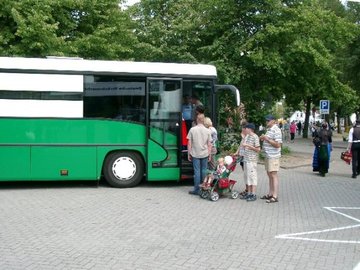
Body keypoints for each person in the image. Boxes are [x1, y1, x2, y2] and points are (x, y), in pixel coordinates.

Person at [187, 113, 212, 195]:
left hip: (195, 153)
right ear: (203, 120)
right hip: (204, 153)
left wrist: (189, 153)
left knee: (197, 171)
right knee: (204, 170)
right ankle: (204, 188)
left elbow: (189, 143)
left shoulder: (192, 130)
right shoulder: (208, 131)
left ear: (197, 119)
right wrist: (209, 154)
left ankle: (197, 190)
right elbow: (209, 144)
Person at [260, 114, 282, 203]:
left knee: (273, 175)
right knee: (270, 176)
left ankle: (275, 196)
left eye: (268, 120)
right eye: (266, 120)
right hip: (268, 156)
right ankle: (270, 194)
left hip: (273, 157)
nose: (266, 122)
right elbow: (268, 140)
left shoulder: (276, 130)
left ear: (273, 121)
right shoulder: (269, 129)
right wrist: (263, 138)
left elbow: (278, 145)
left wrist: (267, 139)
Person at [239, 123, 260, 202]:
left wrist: (248, 146)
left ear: (250, 129)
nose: (245, 129)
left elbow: (258, 149)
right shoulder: (247, 136)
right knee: (247, 177)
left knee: (252, 177)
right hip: (246, 159)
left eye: (246, 128)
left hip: (252, 160)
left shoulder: (255, 137)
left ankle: (253, 194)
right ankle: (249, 193)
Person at [234, 121, 247, 195]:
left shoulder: (247, 137)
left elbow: (246, 145)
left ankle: (248, 189)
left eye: (242, 128)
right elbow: (241, 145)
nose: (241, 130)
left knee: (247, 174)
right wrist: (237, 152)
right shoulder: (243, 137)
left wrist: (243, 137)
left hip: (246, 158)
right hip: (242, 157)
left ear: (246, 129)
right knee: (245, 174)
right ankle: (247, 188)